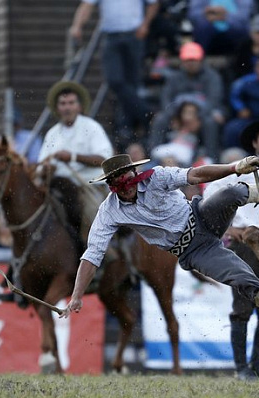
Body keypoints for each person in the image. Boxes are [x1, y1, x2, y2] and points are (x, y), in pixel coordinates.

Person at [61, 155, 259, 347]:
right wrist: (76, 295)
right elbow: (92, 254)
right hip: (195, 250)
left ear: (134, 173)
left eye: (126, 179)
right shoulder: (109, 211)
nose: (125, 187)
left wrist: (234, 167)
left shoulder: (157, 176)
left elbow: (195, 175)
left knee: (230, 192)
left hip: (202, 215)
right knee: (242, 279)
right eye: (117, 183)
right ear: (110, 186)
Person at [204, 119, 259, 380]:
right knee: (243, 307)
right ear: (254, 143)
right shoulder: (235, 172)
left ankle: (258, 365)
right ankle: (241, 368)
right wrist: (228, 230)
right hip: (244, 246)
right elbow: (207, 206)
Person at [69, 0, 158, 142]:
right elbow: (87, 5)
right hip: (111, 36)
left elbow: (153, 3)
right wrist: (77, 25)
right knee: (114, 80)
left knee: (132, 83)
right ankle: (145, 112)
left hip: (134, 34)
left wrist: (145, 24)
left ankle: (126, 126)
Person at [37, 81, 114, 241]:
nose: (67, 108)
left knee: (93, 215)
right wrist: (46, 169)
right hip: (58, 188)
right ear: (57, 108)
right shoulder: (52, 133)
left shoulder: (92, 127)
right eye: (63, 103)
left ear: (79, 106)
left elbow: (104, 159)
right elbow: (41, 166)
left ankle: (103, 256)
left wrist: (72, 157)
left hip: (87, 187)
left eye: (71, 103)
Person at [154, 42, 226, 159]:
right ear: (182, 61)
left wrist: (197, 117)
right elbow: (166, 99)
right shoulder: (174, 78)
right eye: (188, 60)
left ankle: (211, 158)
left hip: (202, 114)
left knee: (211, 121)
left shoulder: (212, 76)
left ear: (201, 60)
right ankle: (154, 157)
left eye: (194, 60)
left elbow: (214, 100)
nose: (191, 63)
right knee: (160, 119)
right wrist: (175, 116)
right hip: (178, 114)